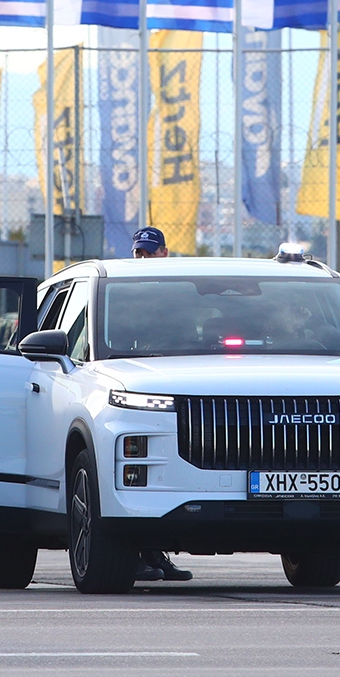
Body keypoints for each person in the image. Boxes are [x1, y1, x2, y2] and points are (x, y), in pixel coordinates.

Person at [129, 227, 192, 583]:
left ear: (164, 253)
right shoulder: (124, 291)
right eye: (138, 252)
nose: (142, 258)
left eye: (148, 252)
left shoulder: (176, 294)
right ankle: (134, 555)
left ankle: (154, 555)